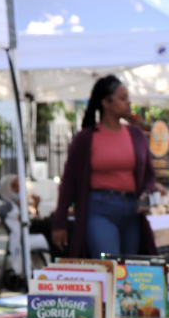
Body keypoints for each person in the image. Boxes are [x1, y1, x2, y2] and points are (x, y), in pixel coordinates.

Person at [51, 75, 160, 258]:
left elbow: (150, 174)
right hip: (99, 209)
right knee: (110, 268)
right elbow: (68, 182)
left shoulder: (136, 135)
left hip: (133, 210)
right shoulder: (85, 138)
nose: (129, 102)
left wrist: (145, 193)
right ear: (106, 103)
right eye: (122, 98)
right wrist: (59, 221)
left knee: (129, 271)